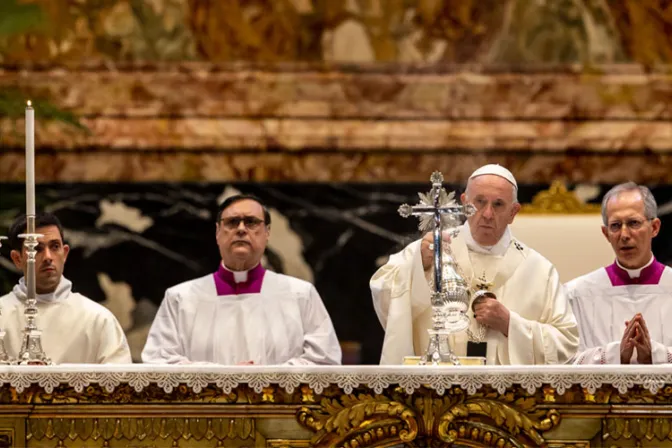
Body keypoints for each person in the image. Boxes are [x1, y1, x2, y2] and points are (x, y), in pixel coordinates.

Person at [370, 164, 579, 365]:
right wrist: (419, 266)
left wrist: (510, 324)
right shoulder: (432, 250)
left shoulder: (539, 271)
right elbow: (383, 293)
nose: (487, 214)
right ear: (464, 203)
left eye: (498, 204)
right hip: (436, 392)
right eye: (480, 202)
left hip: (510, 397)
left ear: (513, 212)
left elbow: (566, 344)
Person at [142, 194, 341, 365]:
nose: (241, 229)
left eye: (251, 222)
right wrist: (224, 377)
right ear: (218, 233)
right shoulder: (180, 298)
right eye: (232, 222)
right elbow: (159, 362)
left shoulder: (300, 295)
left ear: (267, 233)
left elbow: (324, 361)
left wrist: (263, 378)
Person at [0, 213, 131, 364]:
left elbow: (120, 382)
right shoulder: (2, 313)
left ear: (65, 253)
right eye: (37, 248)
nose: (48, 257)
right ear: (17, 259)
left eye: (55, 247)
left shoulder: (97, 319)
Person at [566, 182, 672, 364]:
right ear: (606, 233)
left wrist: (655, 355)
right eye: (615, 225)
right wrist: (616, 354)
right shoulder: (577, 294)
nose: (624, 234)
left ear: (654, 227)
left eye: (633, 223)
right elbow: (564, 362)